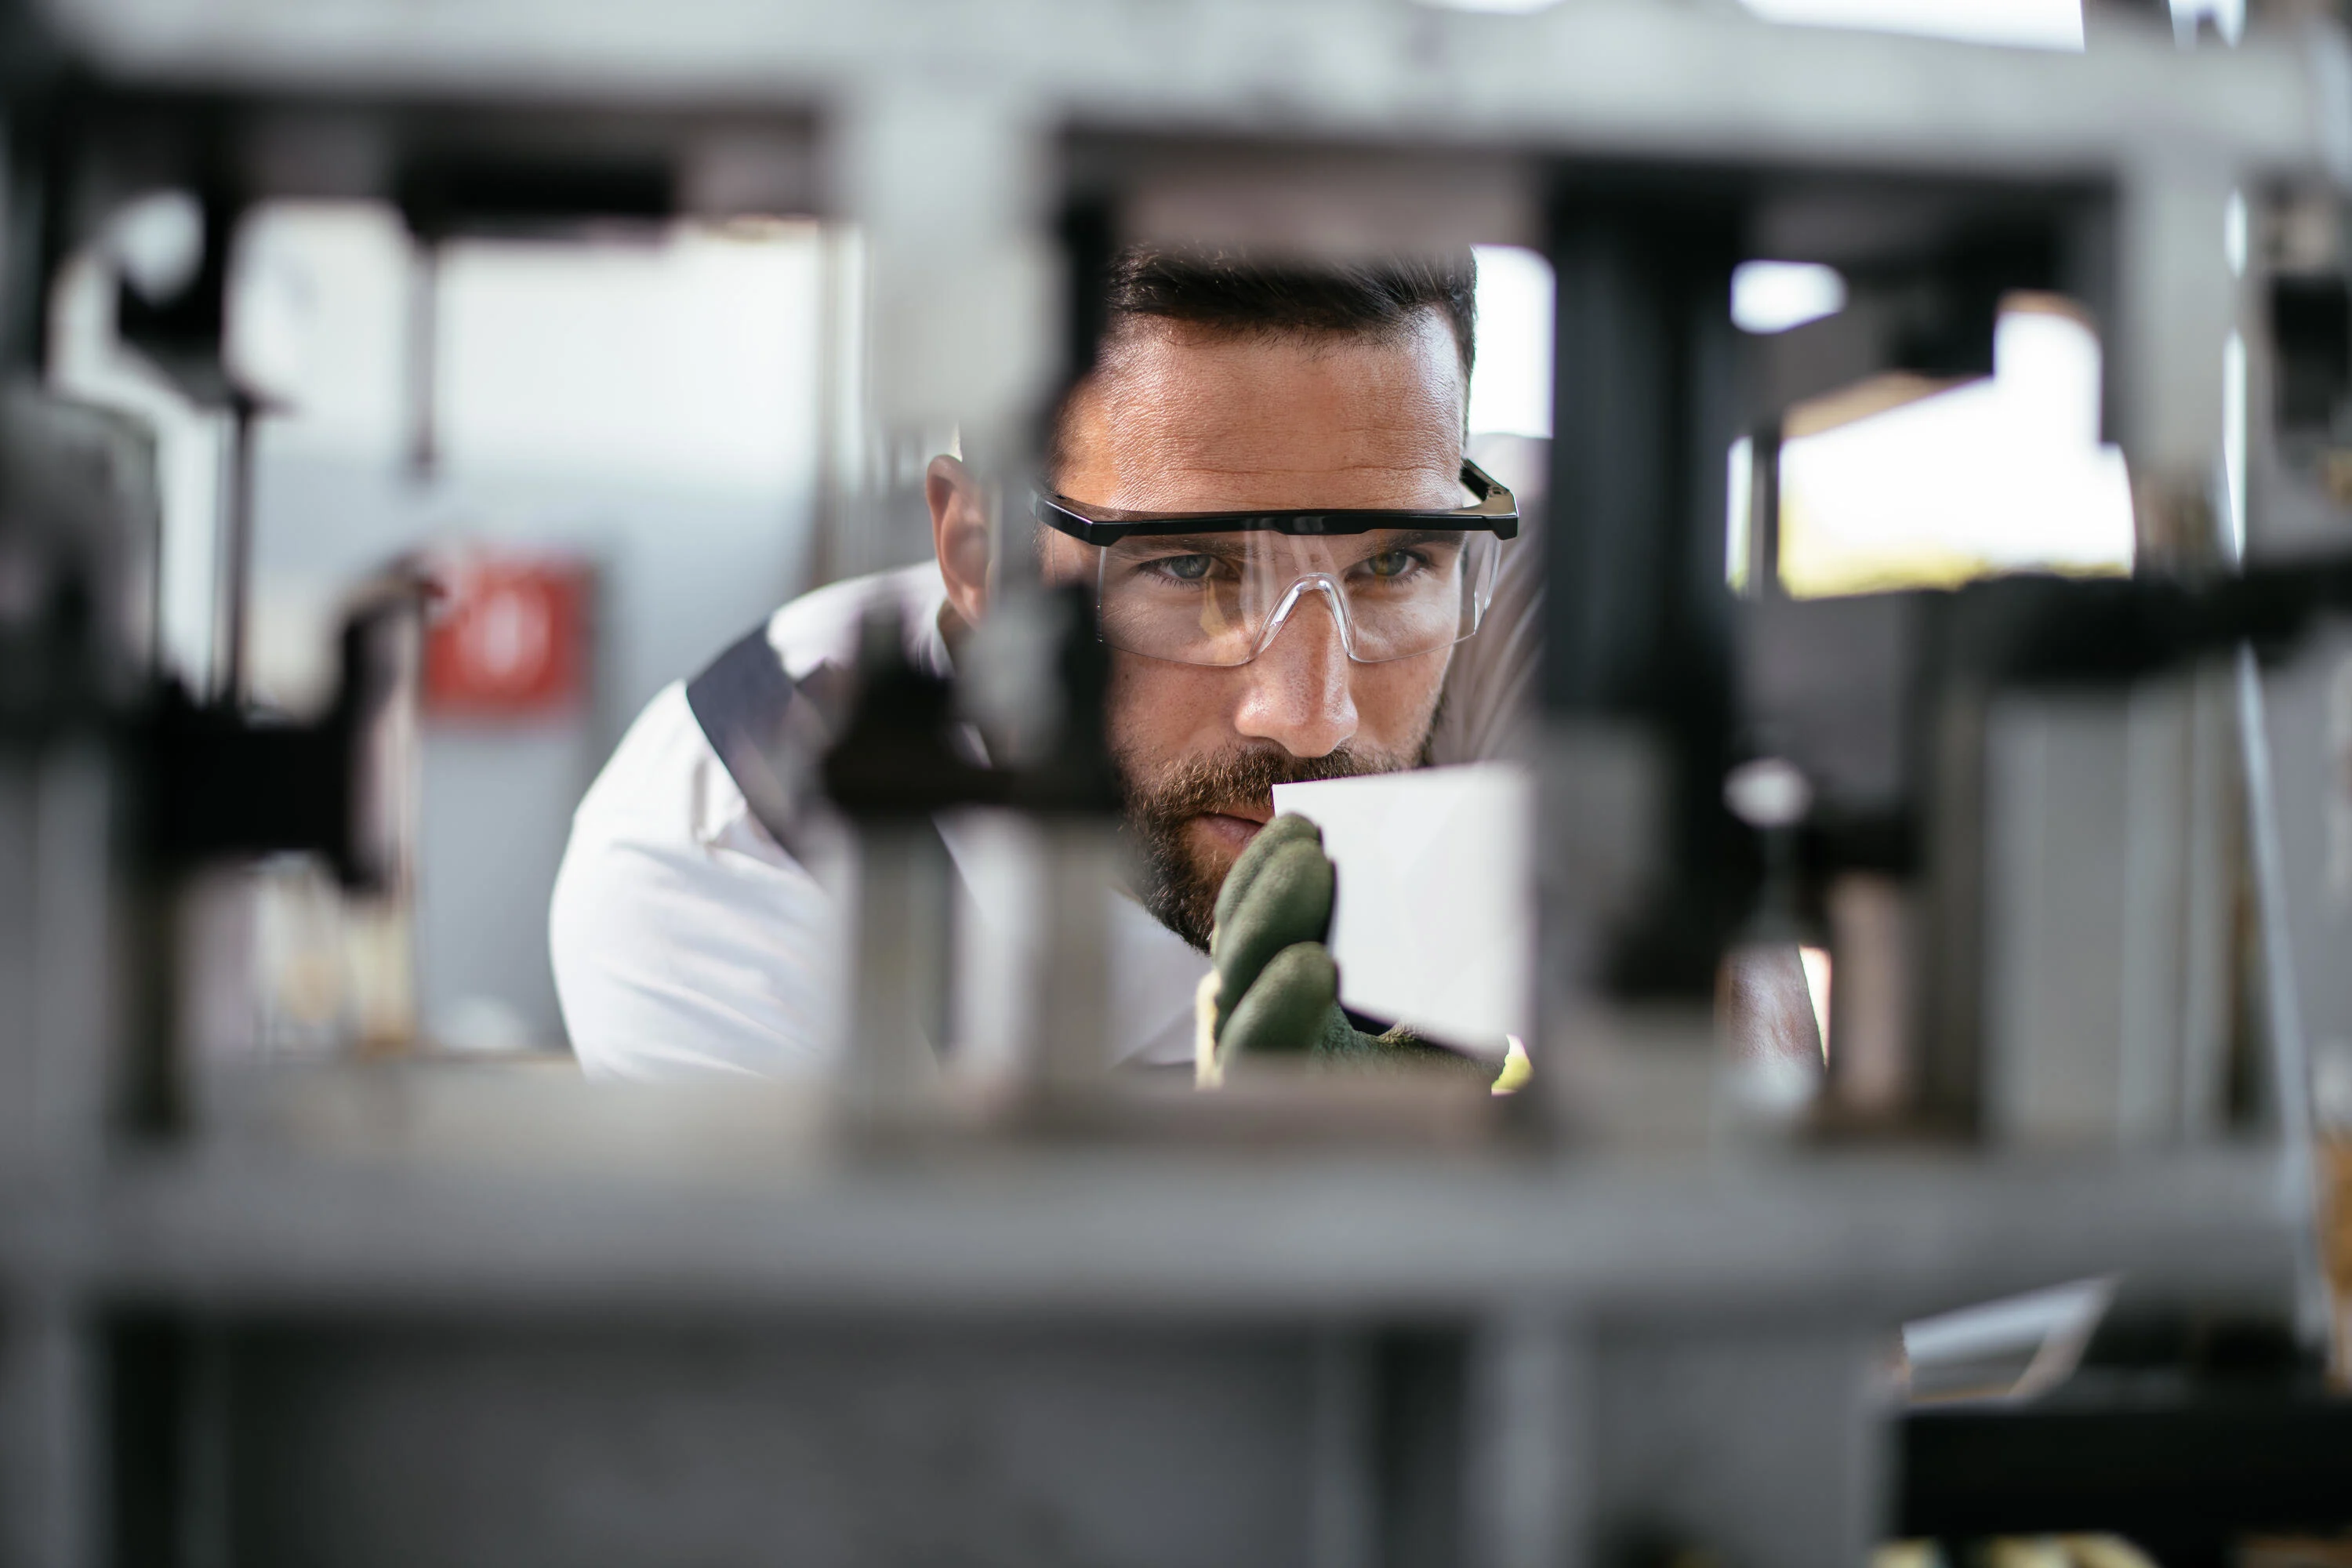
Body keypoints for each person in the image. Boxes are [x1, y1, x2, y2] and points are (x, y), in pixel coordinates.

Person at [550, 245, 1813, 1082]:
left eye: (1386, 569)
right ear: (978, 555)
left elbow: (1752, 1111)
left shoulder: (1511, 558)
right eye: (1187, 569)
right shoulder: (724, 870)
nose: (1310, 717)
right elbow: (913, 1452)